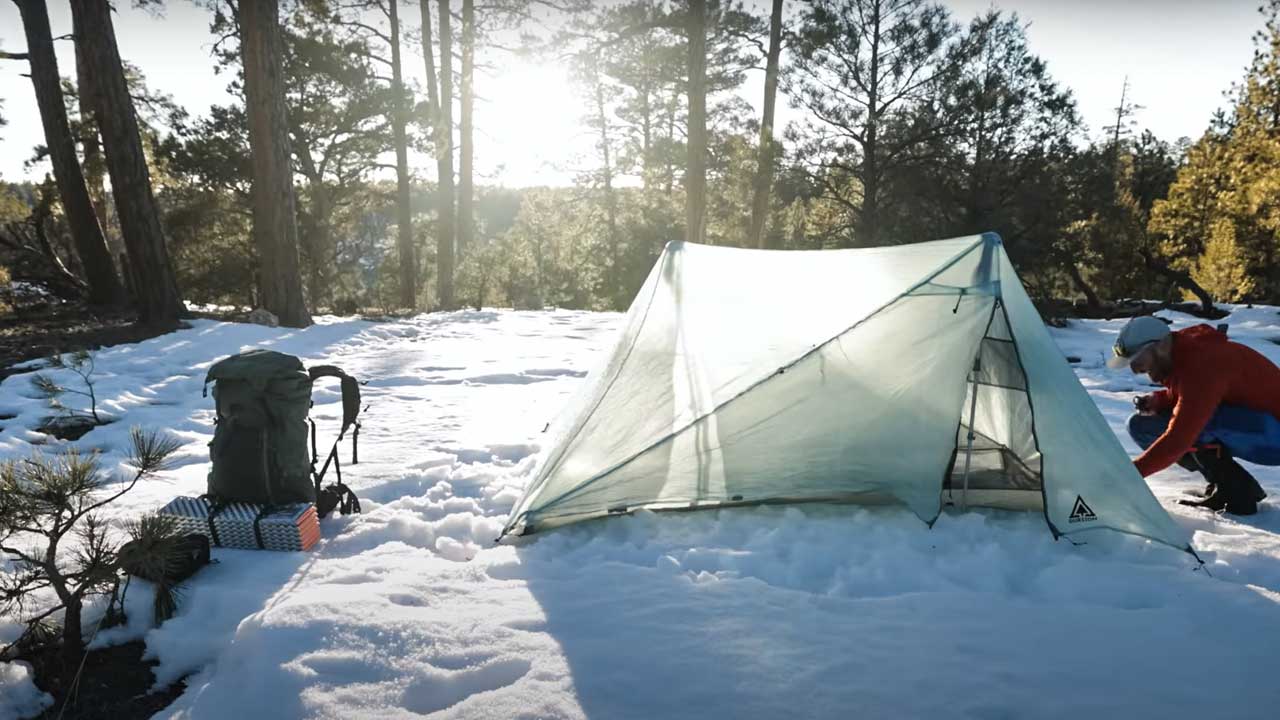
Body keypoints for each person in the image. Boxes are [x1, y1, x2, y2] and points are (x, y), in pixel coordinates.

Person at [1109, 315, 1277, 515]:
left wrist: (1125, 476)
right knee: (1142, 425)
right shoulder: (1181, 355)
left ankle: (1237, 492)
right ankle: (1231, 484)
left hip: (1274, 434)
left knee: (1198, 424)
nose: (1134, 369)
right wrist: (1160, 400)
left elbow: (1180, 435)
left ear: (1161, 346)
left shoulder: (1204, 363)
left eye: (1136, 358)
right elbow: (1195, 393)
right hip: (1259, 427)